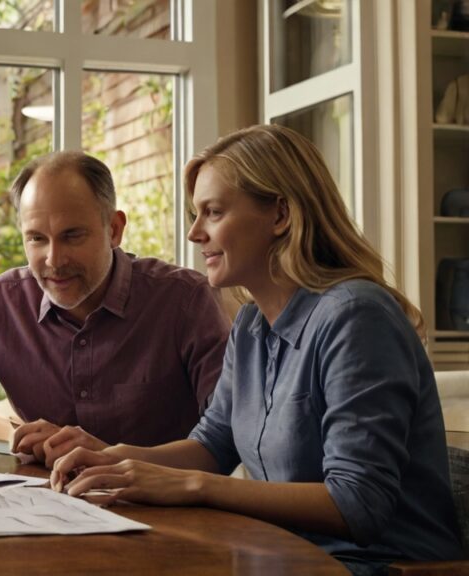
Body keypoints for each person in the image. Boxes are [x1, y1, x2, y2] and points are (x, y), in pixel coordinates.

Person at [51, 125, 463, 574]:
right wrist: (115, 459)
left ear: (281, 214)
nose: (194, 233)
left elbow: (358, 503)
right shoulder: (250, 324)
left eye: (212, 212)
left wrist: (192, 486)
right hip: (281, 556)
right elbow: (213, 444)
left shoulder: (357, 317)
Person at [0, 151, 230, 467]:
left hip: (171, 521)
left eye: (72, 236)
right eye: (36, 238)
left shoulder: (185, 301)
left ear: (114, 229)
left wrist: (108, 457)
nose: (53, 260)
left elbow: (227, 443)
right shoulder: (1, 303)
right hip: (47, 516)